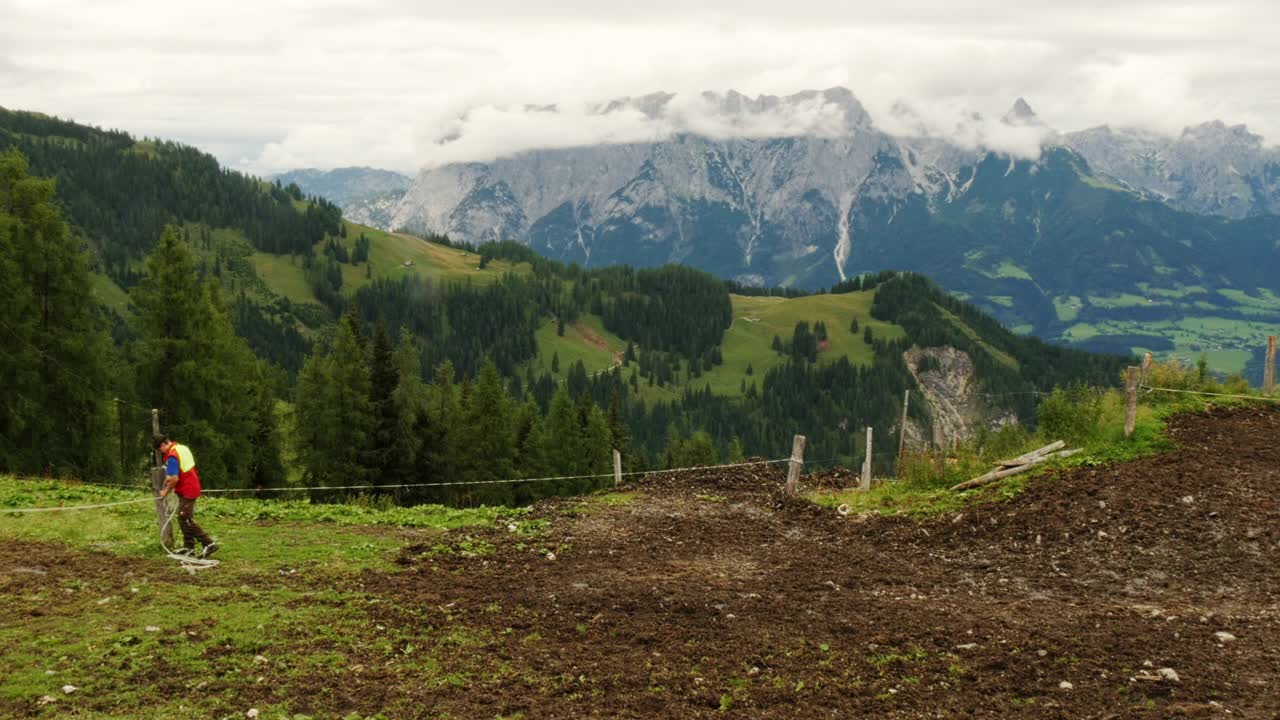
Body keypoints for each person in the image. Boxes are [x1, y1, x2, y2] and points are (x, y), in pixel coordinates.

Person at [154, 435, 219, 559]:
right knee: (183, 518)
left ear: (163, 445)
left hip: (187, 490)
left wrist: (166, 491)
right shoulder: (182, 448)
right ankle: (189, 548)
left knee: (185, 519)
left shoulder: (172, 455)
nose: (161, 452)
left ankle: (209, 543)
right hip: (191, 485)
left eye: (159, 449)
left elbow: (174, 478)